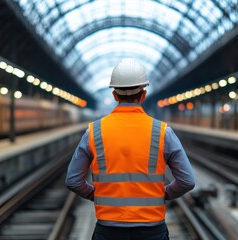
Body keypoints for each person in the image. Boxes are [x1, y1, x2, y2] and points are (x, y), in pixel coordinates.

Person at [66, 58, 195, 240]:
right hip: (152, 231)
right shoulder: (163, 132)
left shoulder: (94, 132)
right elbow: (187, 181)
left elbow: (72, 180)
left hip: (108, 231)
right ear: (143, 94)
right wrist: (163, 194)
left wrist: (97, 195)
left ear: (115, 95)